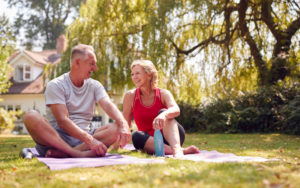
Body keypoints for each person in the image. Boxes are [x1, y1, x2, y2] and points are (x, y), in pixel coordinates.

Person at [23, 44, 131, 158]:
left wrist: (124, 124)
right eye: (91, 63)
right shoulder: (56, 85)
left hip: (83, 142)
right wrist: (91, 140)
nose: (95, 68)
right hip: (57, 141)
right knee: (31, 116)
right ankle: (76, 153)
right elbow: (63, 121)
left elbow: (108, 105)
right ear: (77, 63)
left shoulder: (95, 85)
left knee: (118, 125)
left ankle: (66, 154)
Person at [122, 59, 200, 157]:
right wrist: (118, 143)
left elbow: (176, 109)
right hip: (149, 141)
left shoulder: (163, 93)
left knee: (165, 112)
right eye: (132, 74)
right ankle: (182, 151)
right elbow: (125, 122)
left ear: (149, 74)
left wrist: (163, 115)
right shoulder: (130, 96)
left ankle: (177, 150)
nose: (134, 77)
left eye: (137, 73)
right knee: (136, 136)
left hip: (172, 138)